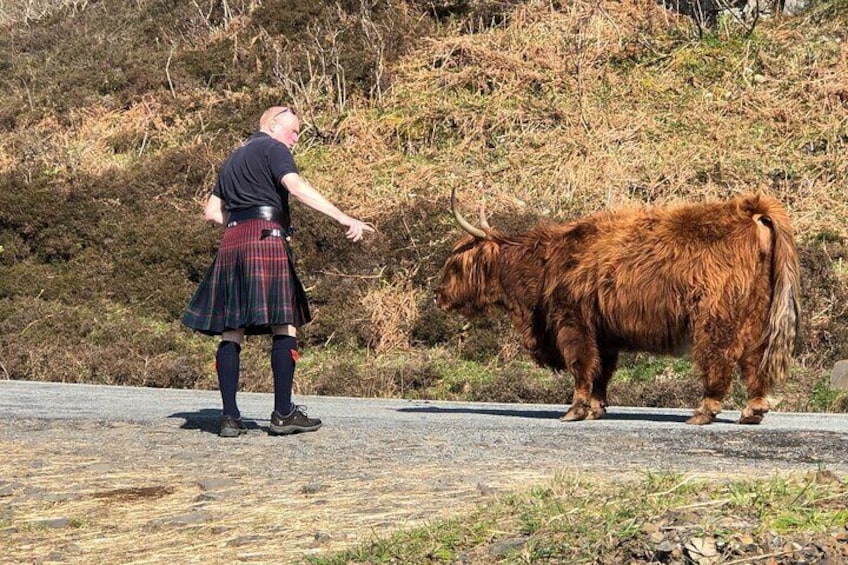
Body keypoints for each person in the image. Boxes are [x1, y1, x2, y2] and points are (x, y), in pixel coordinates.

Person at [182, 106, 374, 437]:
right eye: (294, 131)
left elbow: (211, 211)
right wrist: (344, 217)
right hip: (266, 237)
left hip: (232, 241)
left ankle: (229, 417)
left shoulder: (232, 159)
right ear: (272, 126)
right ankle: (283, 413)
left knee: (232, 327)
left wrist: (240, 221)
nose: (296, 138)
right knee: (284, 322)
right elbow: (296, 187)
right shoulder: (274, 148)